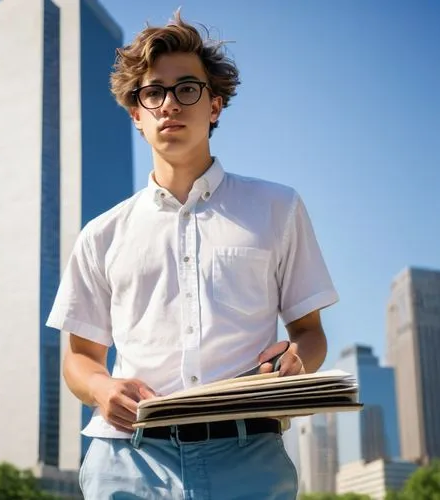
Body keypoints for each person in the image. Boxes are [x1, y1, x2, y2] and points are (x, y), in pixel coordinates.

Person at [46, 10, 339, 500]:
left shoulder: (279, 208)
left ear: (215, 105)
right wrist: (101, 390)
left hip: (249, 460)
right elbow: (80, 358)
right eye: (152, 93)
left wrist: (297, 362)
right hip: (127, 462)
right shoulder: (101, 233)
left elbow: (309, 335)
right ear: (135, 113)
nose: (169, 105)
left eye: (187, 89)